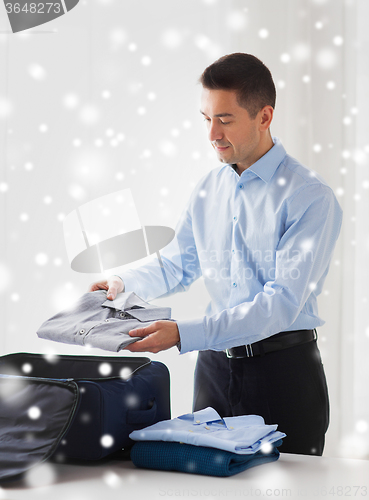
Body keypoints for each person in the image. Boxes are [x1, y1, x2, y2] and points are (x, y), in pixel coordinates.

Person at [89, 53, 343, 455]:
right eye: (206, 119)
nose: (212, 134)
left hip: (282, 373)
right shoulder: (210, 186)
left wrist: (184, 334)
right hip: (213, 371)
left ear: (264, 117)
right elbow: (179, 263)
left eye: (225, 119)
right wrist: (123, 282)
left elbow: (281, 304)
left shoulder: (310, 197)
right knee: (208, 484)